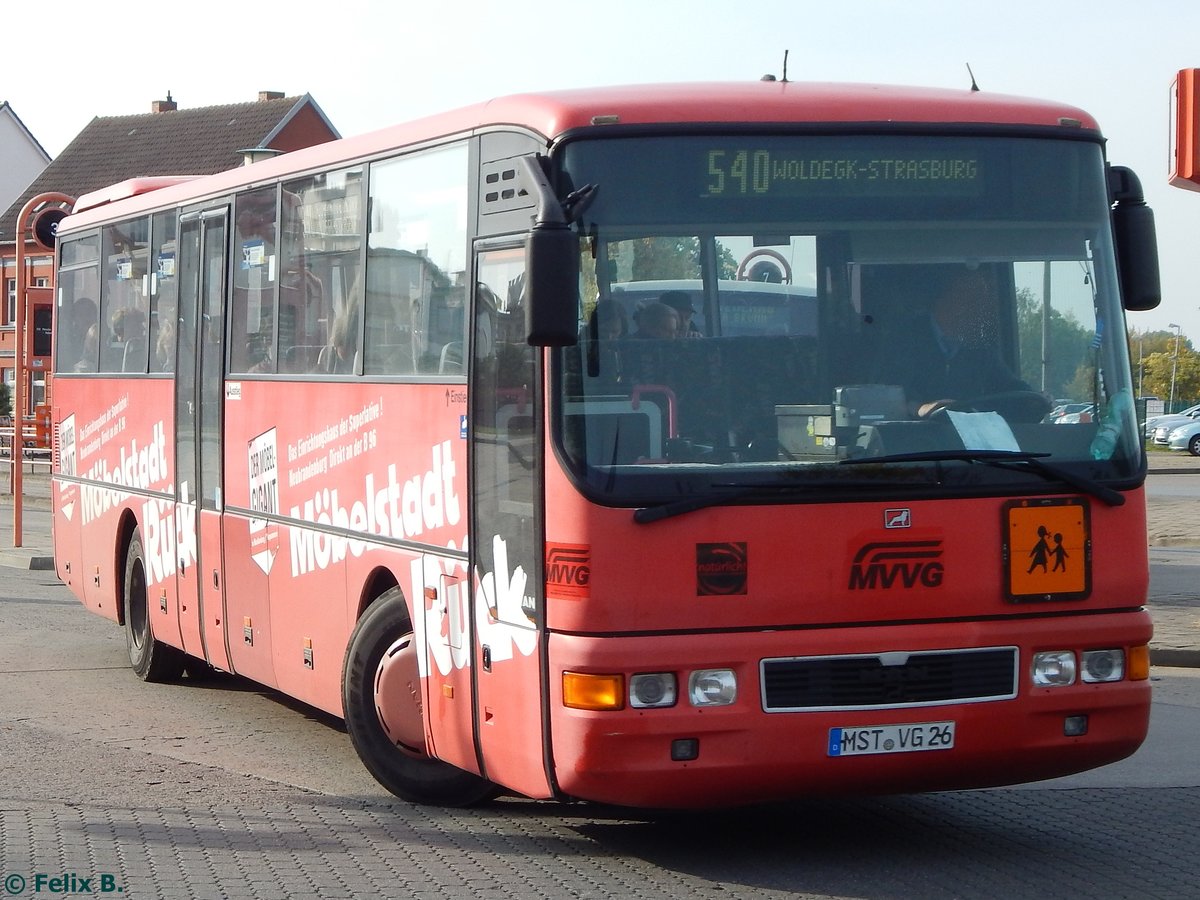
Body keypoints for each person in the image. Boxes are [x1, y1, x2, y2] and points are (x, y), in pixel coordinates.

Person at [885, 267, 1046, 420]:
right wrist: (921, 408)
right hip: (910, 442)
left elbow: (1011, 388)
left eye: (982, 301)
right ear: (946, 298)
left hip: (969, 442)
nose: (981, 309)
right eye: (973, 299)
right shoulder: (902, 339)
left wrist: (1035, 400)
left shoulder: (980, 350)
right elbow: (886, 395)